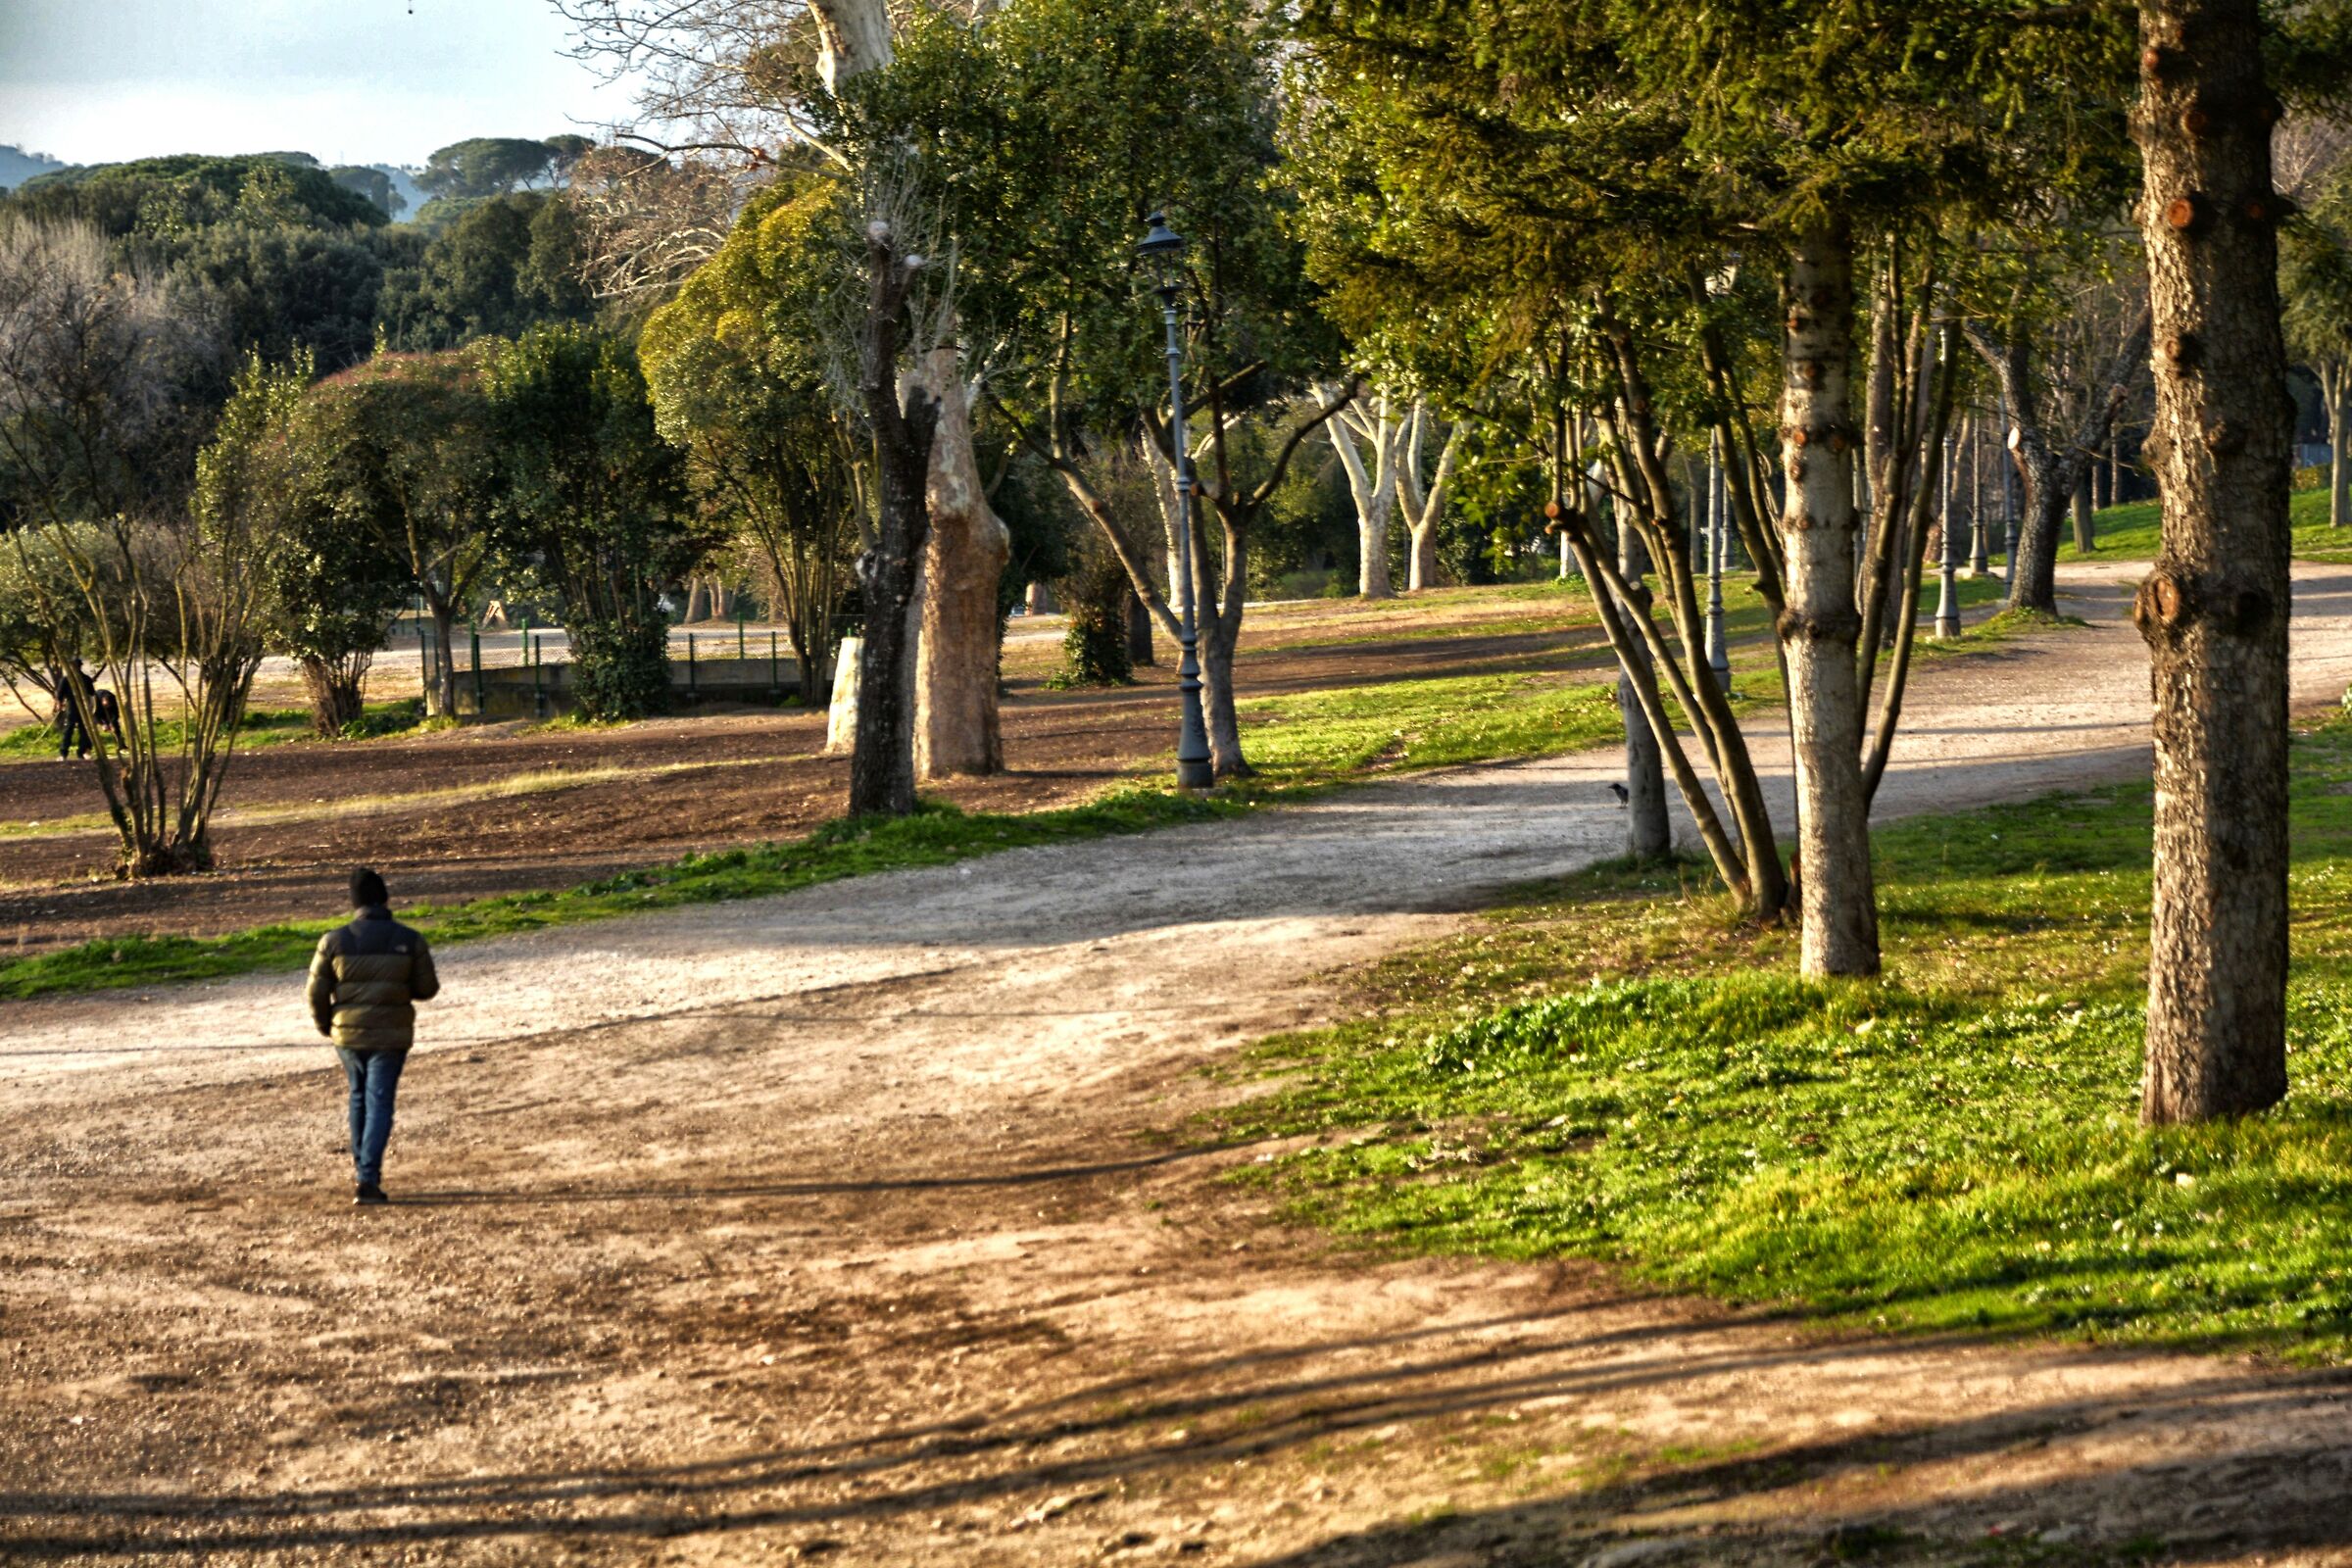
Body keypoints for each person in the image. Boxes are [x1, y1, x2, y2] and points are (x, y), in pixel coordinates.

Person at [307, 867, 440, 1204]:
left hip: (347, 1038)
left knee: (358, 1098)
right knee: (379, 1101)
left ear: (355, 903)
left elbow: (315, 992)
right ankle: (367, 1177)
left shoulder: (333, 941)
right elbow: (427, 989)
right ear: (384, 899)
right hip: (390, 1036)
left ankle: (362, 1169)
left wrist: (328, 1026)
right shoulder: (409, 939)